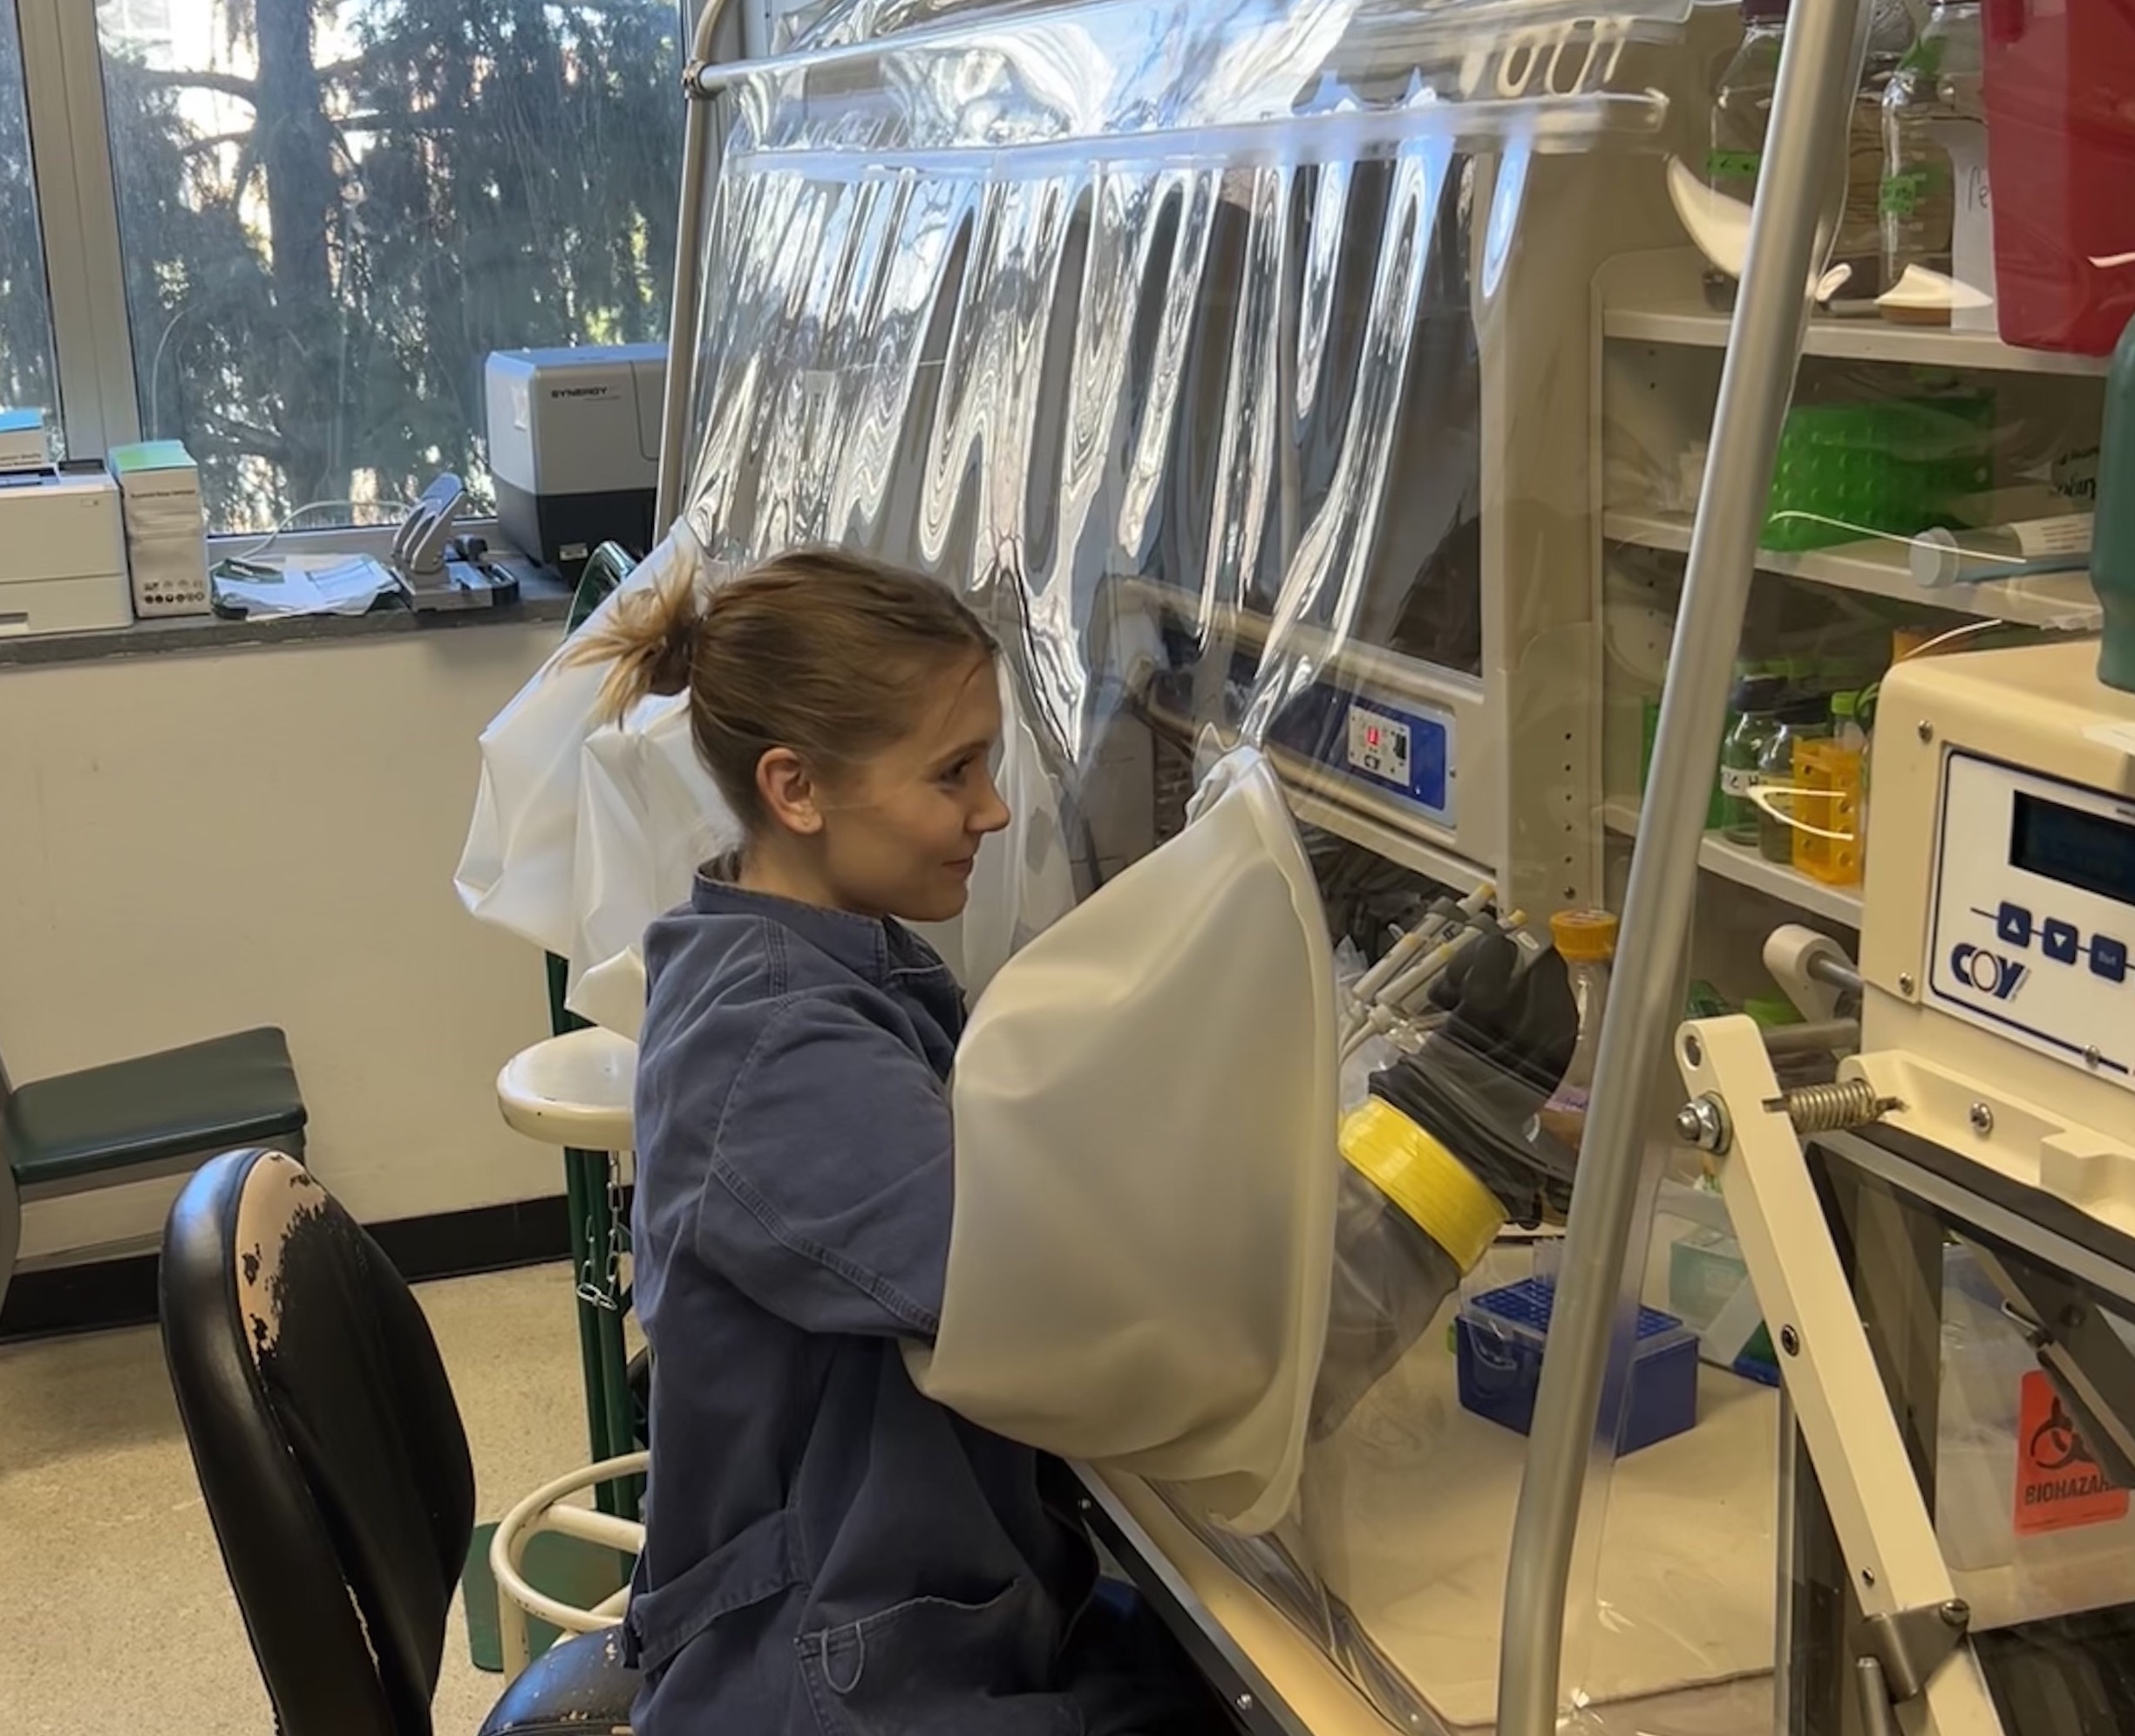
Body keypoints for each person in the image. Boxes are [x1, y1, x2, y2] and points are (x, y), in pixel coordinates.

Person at [568, 548, 1235, 1736]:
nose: (990, 808)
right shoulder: (779, 1052)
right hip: (831, 1682)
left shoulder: (808, 966)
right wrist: (1426, 1163)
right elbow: (1058, 1301)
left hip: (902, 1614)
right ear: (797, 788)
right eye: (952, 772)